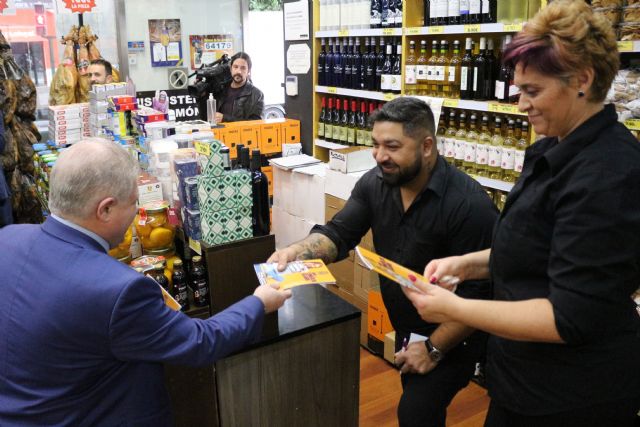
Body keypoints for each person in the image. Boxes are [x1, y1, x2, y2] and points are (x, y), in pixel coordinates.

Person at [401, 2, 640, 426]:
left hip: (572, 397)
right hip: (521, 379)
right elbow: (533, 248)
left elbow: (566, 316)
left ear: (583, 80)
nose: (520, 104)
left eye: (533, 91)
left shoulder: (609, 173)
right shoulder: (552, 147)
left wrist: (453, 309)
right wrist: (467, 265)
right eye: (519, 90)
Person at [0, 139, 292, 425]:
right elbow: (201, 342)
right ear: (105, 209)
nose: (136, 216)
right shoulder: (118, 290)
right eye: (133, 203)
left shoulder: (8, 238)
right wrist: (259, 302)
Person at [268, 97, 498, 427]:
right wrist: (295, 252)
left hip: (457, 332)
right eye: (375, 144)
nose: (379, 156)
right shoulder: (376, 183)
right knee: (416, 394)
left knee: (415, 412)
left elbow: (479, 296)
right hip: (409, 323)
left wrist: (432, 348)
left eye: (392, 146)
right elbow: (339, 233)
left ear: (427, 146)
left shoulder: (469, 206)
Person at [215, 52, 264, 123]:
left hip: (243, 134)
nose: (239, 71)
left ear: (248, 71)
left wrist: (225, 118)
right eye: (235, 67)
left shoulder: (257, 94)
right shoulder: (221, 88)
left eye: (243, 68)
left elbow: (256, 123)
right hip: (221, 133)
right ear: (231, 69)